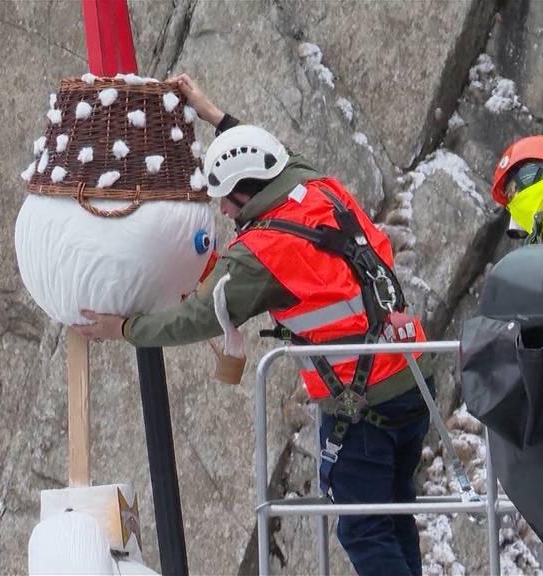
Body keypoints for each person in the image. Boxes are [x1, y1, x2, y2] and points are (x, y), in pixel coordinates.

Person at [75, 74, 434, 576]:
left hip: (361, 403)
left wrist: (126, 328)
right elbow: (275, 156)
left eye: (226, 198)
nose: (222, 210)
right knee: (395, 517)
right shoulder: (317, 187)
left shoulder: (262, 253)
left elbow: (197, 317)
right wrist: (212, 111)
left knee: (365, 528)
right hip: (412, 379)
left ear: (247, 192)